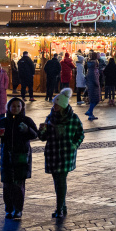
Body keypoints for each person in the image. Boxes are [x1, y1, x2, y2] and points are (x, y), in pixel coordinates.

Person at [38, 88, 84, 218]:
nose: (54, 106)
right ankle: (63, 206)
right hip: (52, 153)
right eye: (54, 104)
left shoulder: (73, 118)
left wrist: (74, 145)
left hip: (65, 154)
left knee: (61, 180)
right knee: (57, 181)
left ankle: (59, 208)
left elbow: (80, 134)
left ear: (63, 105)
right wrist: (41, 130)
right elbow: (43, 138)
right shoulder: (50, 118)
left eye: (56, 104)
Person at [0, 97, 39, 219]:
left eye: (18, 106)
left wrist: (27, 130)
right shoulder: (3, 121)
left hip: (22, 157)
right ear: (9, 108)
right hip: (7, 157)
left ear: (22, 108)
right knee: (7, 185)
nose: (16, 108)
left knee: (18, 185)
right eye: (13, 106)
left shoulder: (27, 120)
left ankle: (18, 209)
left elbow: (35, 134)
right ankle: (8, 208)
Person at [84, 52, 101, 120]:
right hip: (94, 86)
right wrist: (97, 83)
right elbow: (95, 77)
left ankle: (90, 114)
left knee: (92, 100)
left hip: (90, 85)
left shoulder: (89, 68)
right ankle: (89, 111)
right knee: (96, 100)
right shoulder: (94, 69)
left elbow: (87, 77)